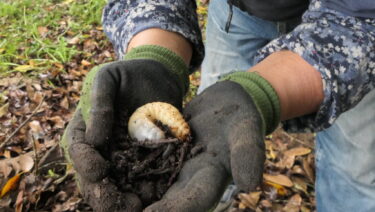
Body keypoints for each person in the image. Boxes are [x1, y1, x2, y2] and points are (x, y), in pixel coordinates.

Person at [61, 0, 375, 211]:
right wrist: (155, 50)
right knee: (213, 142)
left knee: (356, 172)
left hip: (358, 33)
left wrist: (260, 93)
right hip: (236, 13)